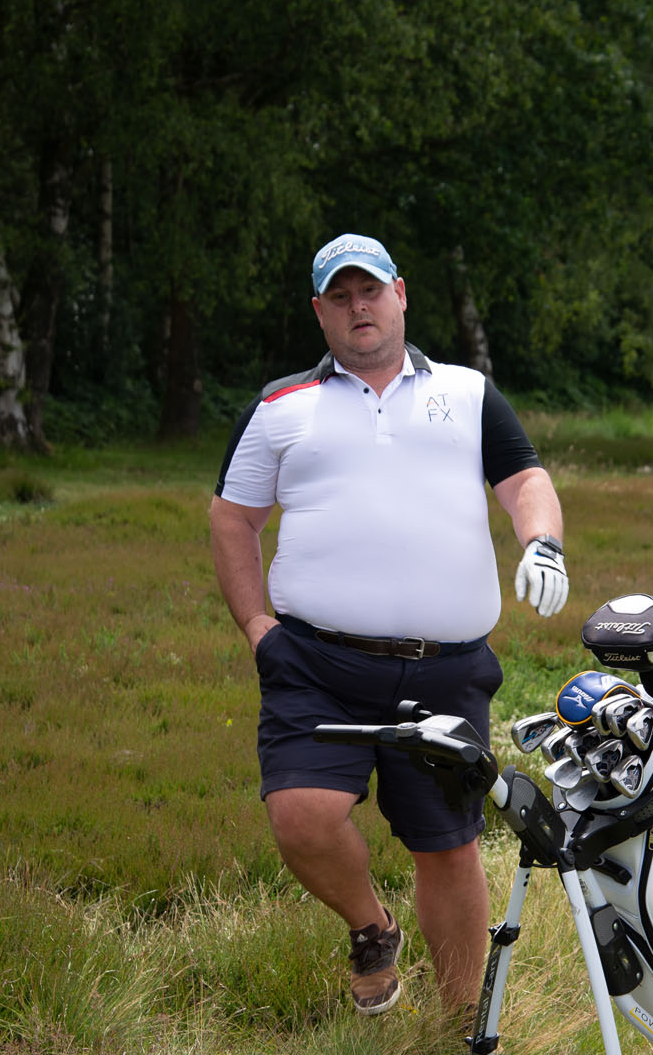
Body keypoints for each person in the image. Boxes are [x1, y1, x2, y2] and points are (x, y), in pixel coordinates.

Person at [210, 233, 568, 1015]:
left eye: (369, 291)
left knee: (449, 847)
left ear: (399, 294)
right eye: (339, 297)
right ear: (320, 312)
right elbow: (233, 516)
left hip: (445, 670)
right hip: (315, 664)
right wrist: (258, 626)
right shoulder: (279, 407)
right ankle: (372, 926)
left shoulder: (468, 393)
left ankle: (463, 1031)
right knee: (302, 818)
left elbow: (524, 480)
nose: (358, 308)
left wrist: (542, 542)